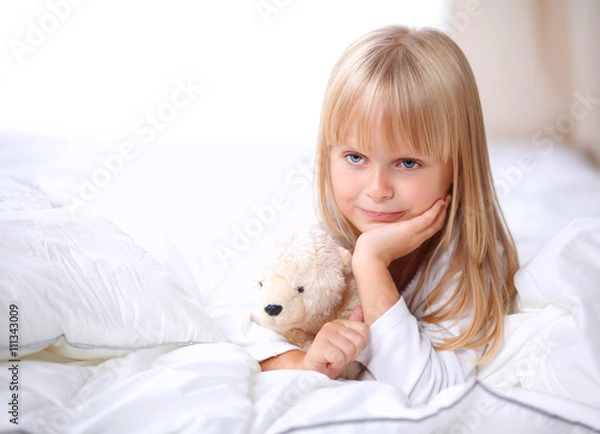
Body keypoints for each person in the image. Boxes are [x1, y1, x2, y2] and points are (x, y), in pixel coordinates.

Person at [252, 25, 520, 405]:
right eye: (355, 157)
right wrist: (302, 362)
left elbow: (429, 392)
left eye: (408, 162)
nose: (377, 189)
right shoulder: (317, 234)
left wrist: (371, 264)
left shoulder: (466, 265)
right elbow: (238, 322)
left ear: (457, 166)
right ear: (327, 152)